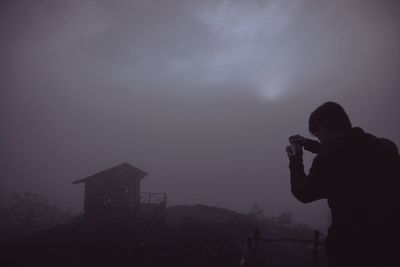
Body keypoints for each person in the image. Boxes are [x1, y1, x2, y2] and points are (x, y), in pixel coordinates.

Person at [286, 102, 400, 267]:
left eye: (318, 136)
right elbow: (349, 152)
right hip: (391, 245)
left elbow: (302, 192)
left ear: (323, 128)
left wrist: (295, 159)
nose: (321, 140)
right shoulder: (386, 147)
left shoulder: (327, 162)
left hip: (349, 250)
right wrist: (308, 143)